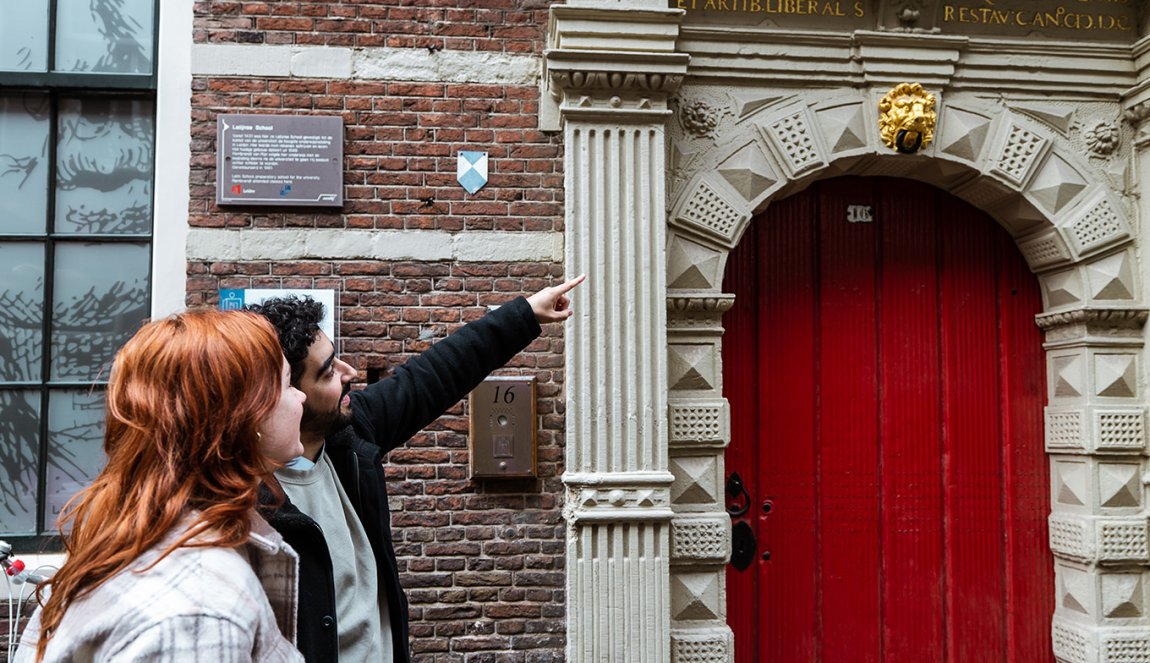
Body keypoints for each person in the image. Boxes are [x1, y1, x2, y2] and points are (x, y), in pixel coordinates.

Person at [248, 275, 585, 662]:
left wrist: (525, 314)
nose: (349, 373)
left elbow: (433, 376)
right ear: (285, 394)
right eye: (327, 372)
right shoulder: (247, 502)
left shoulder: (349, 437)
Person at [16, 309, 308, 662]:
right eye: (287, 383)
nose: (301, 397)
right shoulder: (200, 609)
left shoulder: (128, 541)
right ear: (245, 415)